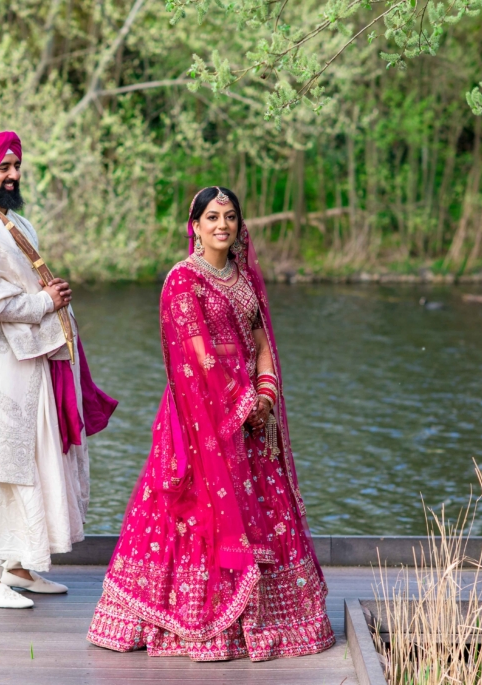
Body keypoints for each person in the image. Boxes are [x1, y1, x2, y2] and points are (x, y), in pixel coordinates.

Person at [87, 186, 335, 660]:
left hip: (250, 417)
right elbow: (198, 355)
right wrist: (241, 403)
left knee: (264, 508)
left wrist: (264, 393)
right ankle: (193, 623)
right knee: (192, 507)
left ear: (240, 226)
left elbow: (262, 340)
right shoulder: (183, 281)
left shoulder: (243, 279)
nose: (223, 225)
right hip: (199, 416)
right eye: (213, 217)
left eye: (231, 217)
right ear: (195, 225)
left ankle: (271, 620)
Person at [0, 131, 116, 609]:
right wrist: (45, 300)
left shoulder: (14, 221)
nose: (13, 175)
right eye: (3, 168)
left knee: (34, 457)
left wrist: (50, 302)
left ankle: (17, 567)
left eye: (16, 166)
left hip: (33, 361)